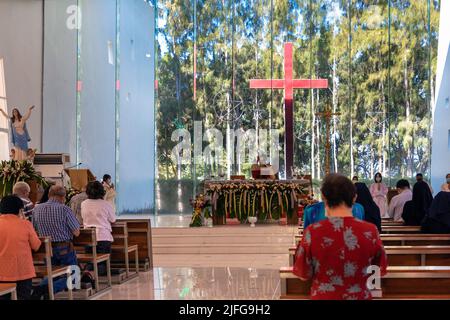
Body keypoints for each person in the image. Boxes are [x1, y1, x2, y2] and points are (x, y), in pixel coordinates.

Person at [293, 174, 387, 300]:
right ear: (354, 198)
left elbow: (303, 274)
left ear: (324, 197)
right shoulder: (370, 231)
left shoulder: (312, 232)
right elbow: (379, 269)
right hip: (359, 296)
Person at [32, 185, 80, 299]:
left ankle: (42, 288)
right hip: (64, 247)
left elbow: (34, 229)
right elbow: (76, 232)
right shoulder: (65, 209)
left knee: (51, 273)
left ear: (49, 195)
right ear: (63, 197)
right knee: (74, 276)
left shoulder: (36, 209)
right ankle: (47, 289)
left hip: (46, 248)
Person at [0, 196, 41, 300]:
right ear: (20, 210)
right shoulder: (25, 224)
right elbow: (36, 246)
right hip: (23, 272)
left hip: (2, 273)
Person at [81, 181, 116, 275]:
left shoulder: (84, 203)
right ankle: (98, 274)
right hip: (102, 236)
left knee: (90, 259)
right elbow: (113, 220)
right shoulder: (105, 204)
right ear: (102, 191)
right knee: (102, 261)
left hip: (87, 236)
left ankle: (88, 274)